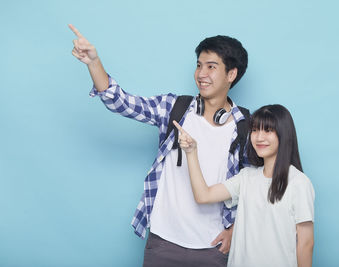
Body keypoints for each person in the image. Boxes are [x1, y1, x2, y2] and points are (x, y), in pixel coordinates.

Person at [69, 24, 250, 266]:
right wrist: (93, 62)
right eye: (198, 65)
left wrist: (233, 230)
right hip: (163, 242)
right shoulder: (173, 108)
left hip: (212, 248)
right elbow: (121, 102)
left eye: (211, 67)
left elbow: (254, 186)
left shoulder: (246, 127)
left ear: (231, 74)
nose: (201, 73)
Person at [174, 104, 315, 267]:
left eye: (268, 131)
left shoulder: (299, 182)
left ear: (284, 135)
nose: (259, 137)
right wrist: (191, 152)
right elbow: (203, 195)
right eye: (255, 130)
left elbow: (306, 244)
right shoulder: (246, 177)